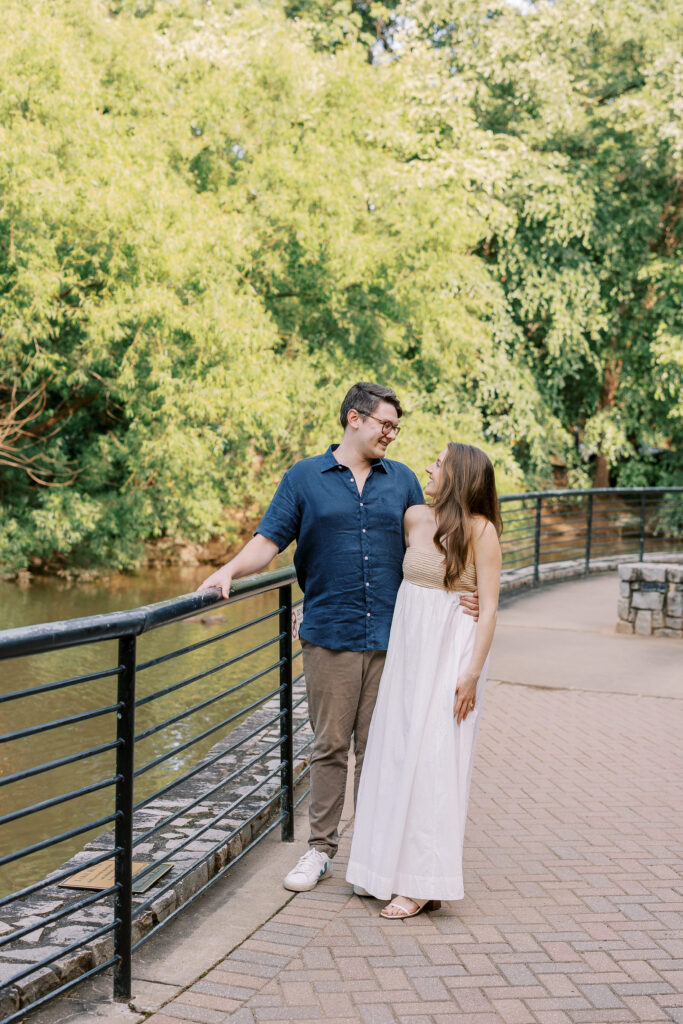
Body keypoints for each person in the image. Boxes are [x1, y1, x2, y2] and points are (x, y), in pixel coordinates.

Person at [197, 383, 479, 892]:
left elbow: (438, 542)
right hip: (330, 631)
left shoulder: (404, 482)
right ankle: (319, 851)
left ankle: (380, 856)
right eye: (385, 424)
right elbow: (270, 540)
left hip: (397, 638)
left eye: (396, 427)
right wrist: (229, 570)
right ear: (355, 418)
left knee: (384, 748)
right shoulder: (304, 477)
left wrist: (468, 593)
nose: (392, 434)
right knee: (330, 746)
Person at [345, 442, 502, 919]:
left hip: (451, 654)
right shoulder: (414, 516)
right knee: (395, 753)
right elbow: (364, 559)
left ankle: (422, 884)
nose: (429, 468)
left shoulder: (481, 531)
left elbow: (490, 605)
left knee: (436, 761)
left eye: (438, 463)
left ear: (458, 477)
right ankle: (383, 869)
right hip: (408, 653)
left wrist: (471, 674)